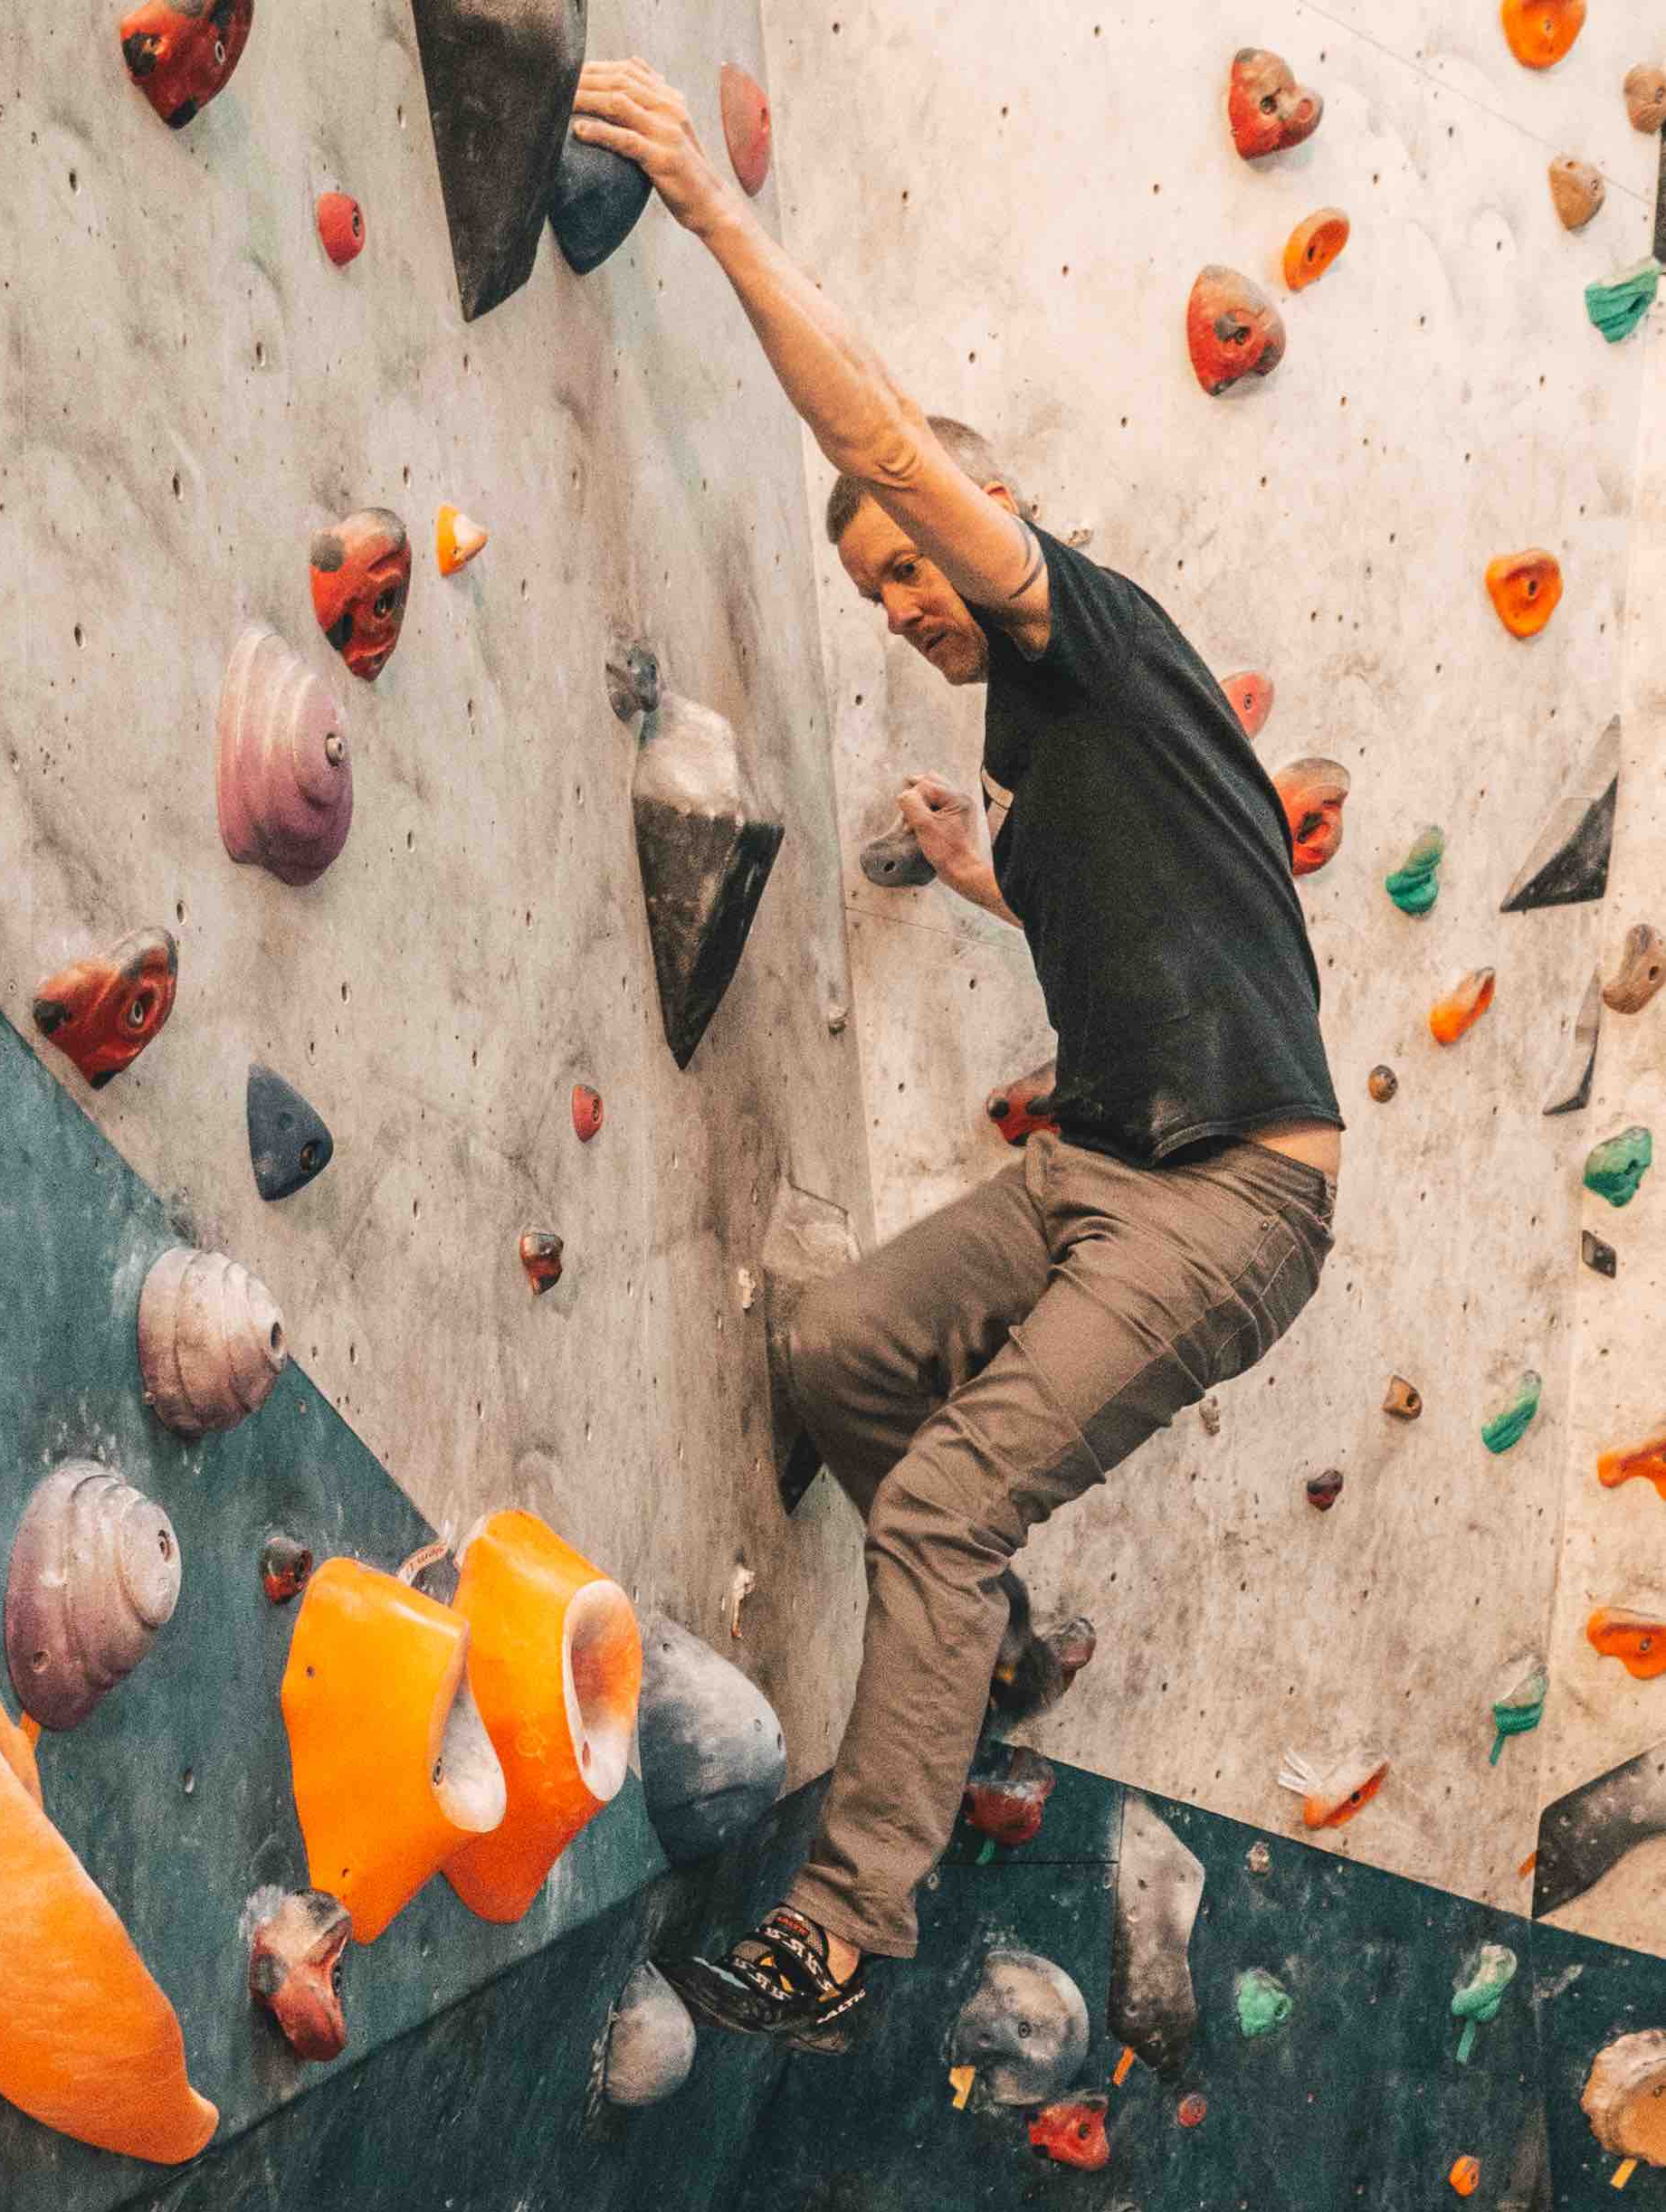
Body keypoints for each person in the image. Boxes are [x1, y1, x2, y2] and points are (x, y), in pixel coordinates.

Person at [572, 60, 1342, 2051]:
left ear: (987, 533)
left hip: (1233, 1200)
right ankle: (980, 1646)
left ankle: (848, 1925)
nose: (901, 602)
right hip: (1107, 1165)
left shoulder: (1081, 625)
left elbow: (890, 438)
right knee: (834, 1351)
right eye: (873, 591)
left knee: (934, 1506)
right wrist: (987, 876)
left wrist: (722, 221)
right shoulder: (1070, 735)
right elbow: (1189, 915)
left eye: (908, 564)